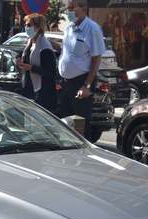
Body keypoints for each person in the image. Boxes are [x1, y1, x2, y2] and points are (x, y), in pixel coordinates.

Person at [49, 0, 105, 142]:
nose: (69, 12)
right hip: (66, 84)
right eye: (68, 8)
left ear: (83, 9)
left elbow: (96, 59)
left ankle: (86, 158)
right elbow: (65, 49)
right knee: (67, 125)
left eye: (73, 8)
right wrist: (48, 42)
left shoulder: (93, 29)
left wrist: (86, 85)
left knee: (81, 127)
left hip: (81, 83)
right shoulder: (69, 27)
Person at [16, 14, 57, 113]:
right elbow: (27, 64)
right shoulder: (29, 43)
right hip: (28, 90)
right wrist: (20, 64)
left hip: (42, 93)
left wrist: (31, 68)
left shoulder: (44, 47)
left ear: (38, 28)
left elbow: (51, 72)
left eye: (29, 25)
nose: (26, 27)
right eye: (25, 25)